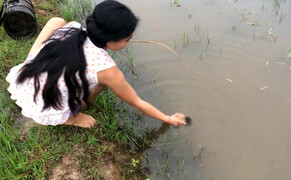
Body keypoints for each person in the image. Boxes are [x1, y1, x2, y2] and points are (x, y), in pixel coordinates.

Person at [6, 0, 186, 128]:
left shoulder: (70, 28)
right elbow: (137, 102)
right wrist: (168, 119)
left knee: (57, 21)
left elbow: (53, 22)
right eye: (127, 39)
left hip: (23, 81)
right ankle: (73, 118)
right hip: (44, 108)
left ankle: (29, 65)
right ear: (111, 41)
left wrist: (30, 61)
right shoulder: (107, 70)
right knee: (101, 84)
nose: (129, 42)